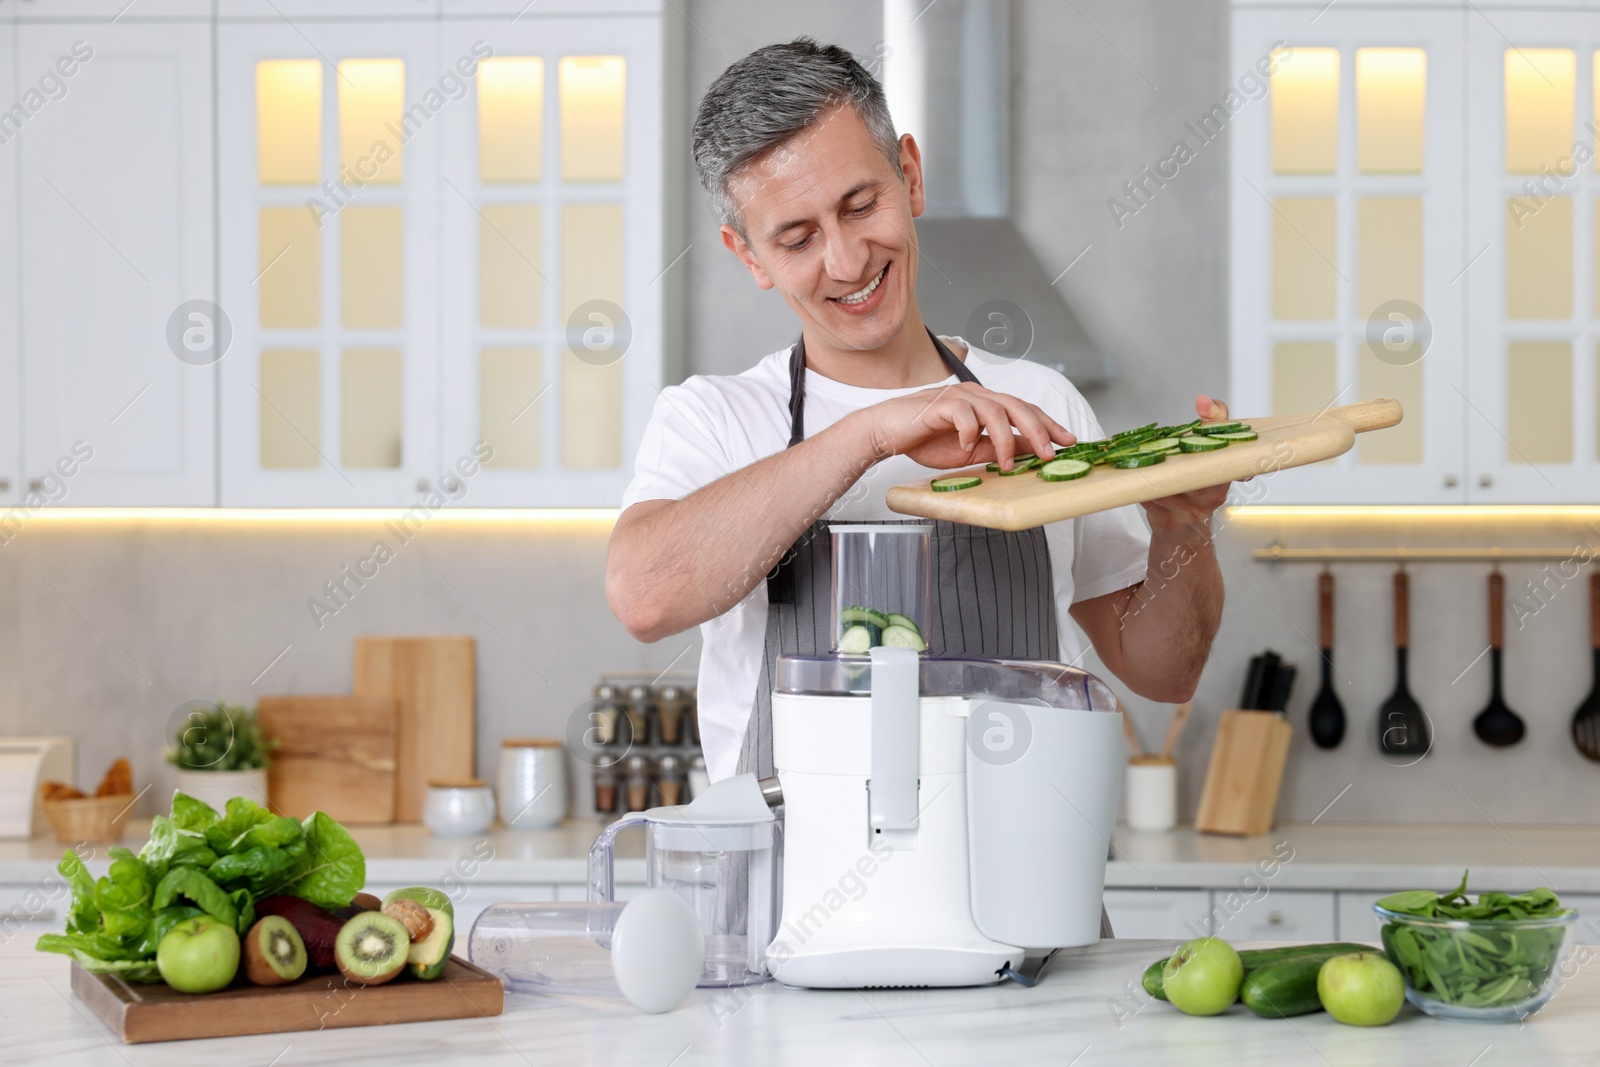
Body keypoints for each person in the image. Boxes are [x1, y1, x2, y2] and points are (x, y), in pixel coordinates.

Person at [608, 38, 1230, 795]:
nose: (845, 261)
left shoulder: (1042, 408)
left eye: (861, 204)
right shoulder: (713, 419)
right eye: (797, 239)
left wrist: (1182, 529)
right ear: (749, 256)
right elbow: (644, 596)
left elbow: (1166, 672)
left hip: (1026, 888)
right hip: (794, 902)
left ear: (910, 174)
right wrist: (870, 432)